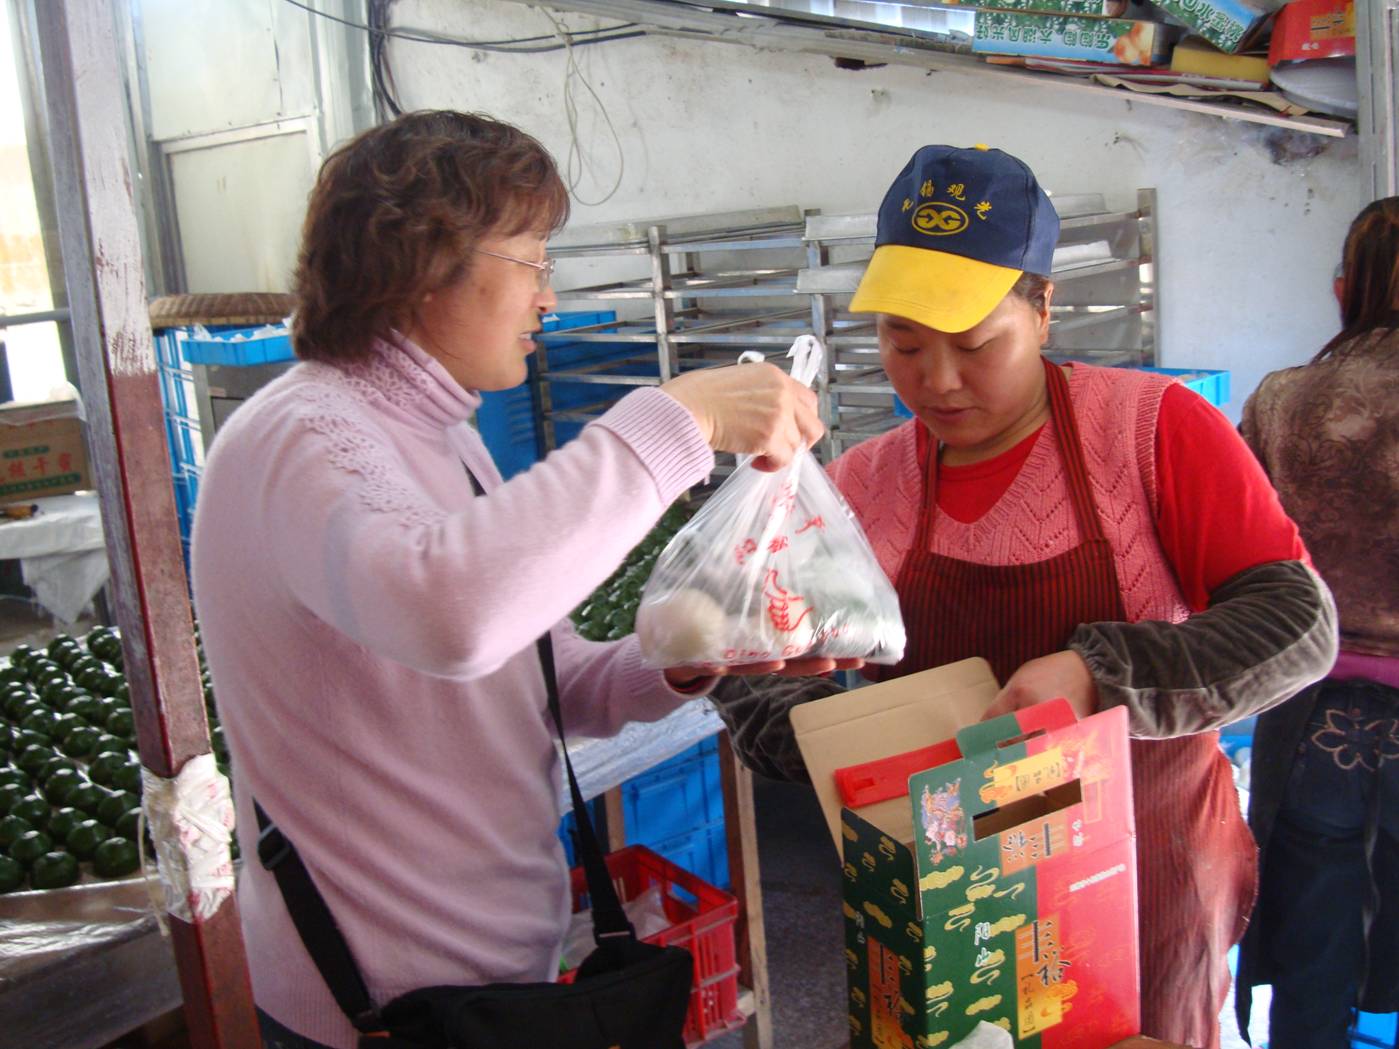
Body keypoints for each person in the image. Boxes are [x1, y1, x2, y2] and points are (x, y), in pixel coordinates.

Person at [190, 110, 857, 1049]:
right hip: (370, 1009)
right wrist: (674, 421)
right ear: (425, 261)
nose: (549, 295)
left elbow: (545, 677)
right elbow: (452, 615)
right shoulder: (299, 437)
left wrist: (687, 653)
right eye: (534, 259)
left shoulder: (445, 436)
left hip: (493, 985)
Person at [817, 144, 1339, 1049]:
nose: (935, 380)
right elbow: (786, 662)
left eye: (976, 344)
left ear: (1044, 307)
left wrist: (1102, 674)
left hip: (1141, 884)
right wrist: (770, 698)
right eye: (902, 343)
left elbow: (1295, 624)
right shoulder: (863, 483)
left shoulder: (1152, 431)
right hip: (947, 898)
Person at [1235, 198, 1399, 1049]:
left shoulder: (1282, 402)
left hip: (1313, 721)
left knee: (1314, 950)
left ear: (1343, 290)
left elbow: (1228, 567)